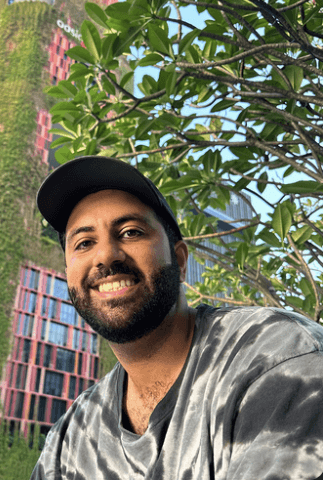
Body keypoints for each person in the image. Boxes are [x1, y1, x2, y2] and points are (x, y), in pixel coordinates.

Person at [32, 155, 323, 480]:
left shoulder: (274, 355)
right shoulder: (70, 439)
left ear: (180, 261)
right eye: (84, 243)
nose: (106, 256)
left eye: (130, 232)